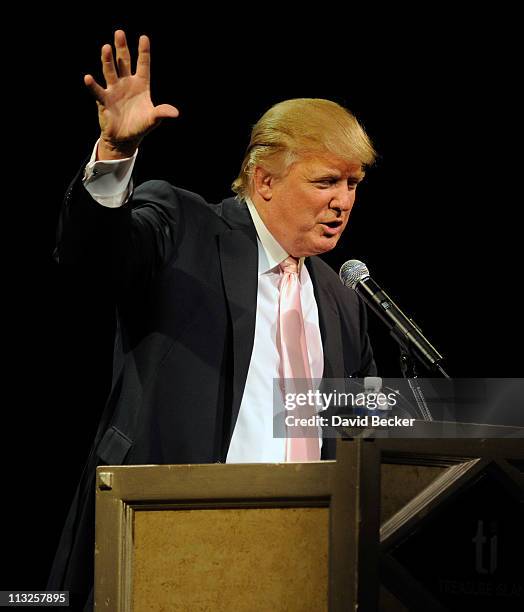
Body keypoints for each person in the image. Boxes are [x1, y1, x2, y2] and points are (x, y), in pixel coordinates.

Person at [48, 29, 377, 610]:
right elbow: (92, 257)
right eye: (325, 181)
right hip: (171, 534)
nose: (343, 201)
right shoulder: (185, 227)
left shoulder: (343, 297)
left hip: (304, 560)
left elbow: (355, 433)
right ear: (265, 180)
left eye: (352, 184)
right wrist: (116, 155)